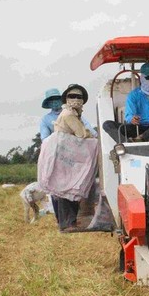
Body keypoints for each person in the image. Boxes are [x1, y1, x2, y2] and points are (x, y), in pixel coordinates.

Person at [53, 84, 94, 232]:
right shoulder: (68, 114)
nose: (75, 99)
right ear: (66, 99)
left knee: (73, 187)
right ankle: (67, 223)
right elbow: (81, 134)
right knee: (66, 189)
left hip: (70, 153)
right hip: (64, 154)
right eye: (72, 96)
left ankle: (71, 221)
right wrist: (92, 135)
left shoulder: (76, 114)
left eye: (79, 96)